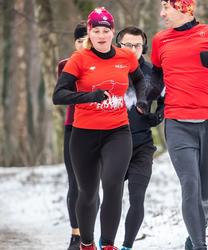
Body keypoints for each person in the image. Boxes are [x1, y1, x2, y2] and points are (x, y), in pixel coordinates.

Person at [149, 1, 208, 249]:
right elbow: (156, 75)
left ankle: (193, 238)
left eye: (166, 8)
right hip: (176, 123)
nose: (162, 13)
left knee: (205, 194)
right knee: (190, 185)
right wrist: (149, 96)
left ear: (183, 8)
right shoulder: (160, 40)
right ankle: (200, 245)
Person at [53, 7, 147, 250]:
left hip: (118, 131)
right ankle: (86, 243)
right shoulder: (79, 59)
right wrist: (89, 96)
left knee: (113, 184)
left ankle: (108, 245)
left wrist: (142, 100)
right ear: (90, 33)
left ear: (112, 31)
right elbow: (59, 95)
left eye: (106, 30)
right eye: (96, 30)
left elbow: (138, 79)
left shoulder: (125, 56)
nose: (102, 35)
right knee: (87, 191)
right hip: (83, 134)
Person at [114, 26, 164, 250]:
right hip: (111, 144)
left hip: (142, 145)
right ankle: (105, 242)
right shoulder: (110, 68)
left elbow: (166, 99)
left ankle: (126, 246)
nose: (133, 49)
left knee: (137, 198)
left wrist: (157, 117)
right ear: (118, 45)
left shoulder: (154, 73)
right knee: (111, 198)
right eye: (127, 45)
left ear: (144, 47)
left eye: (137, 45)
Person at [57, 21, 88, 250]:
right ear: (74, 43)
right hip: (73, 127)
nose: (84, 44)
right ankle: (76, 235)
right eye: (79, 40)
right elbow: (63, 95)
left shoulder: (108, 63)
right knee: (75, 183)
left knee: (94, 185)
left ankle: (90, 234)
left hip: (100, 129)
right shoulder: (66, 65)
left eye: (86, 39)